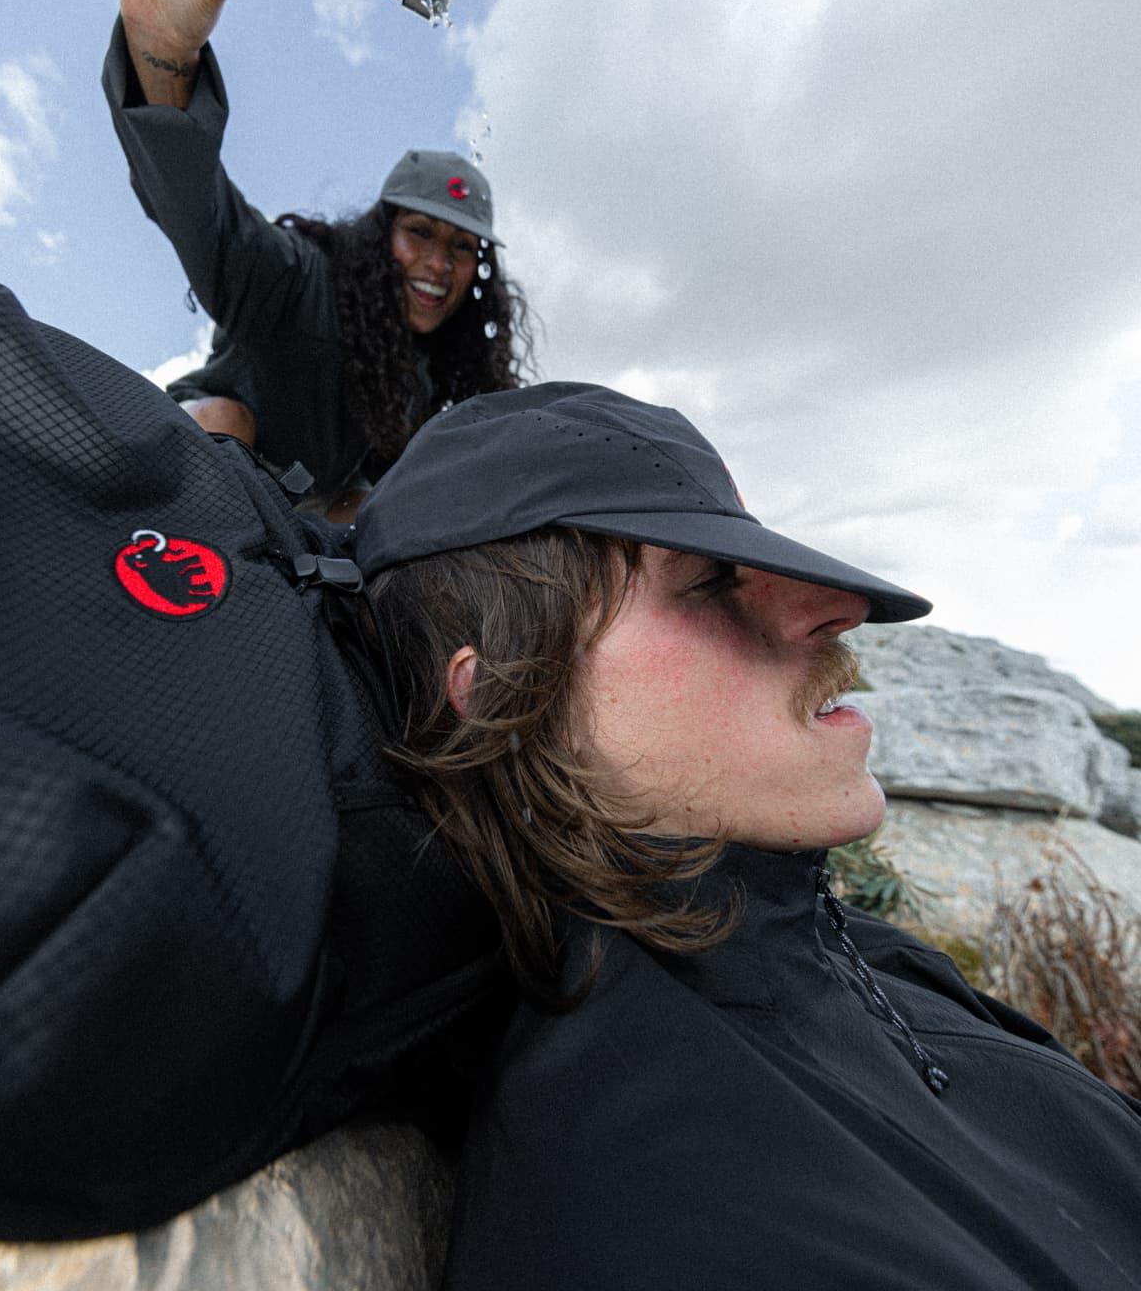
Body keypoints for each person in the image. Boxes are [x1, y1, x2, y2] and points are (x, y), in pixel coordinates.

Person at [357, 382, 1141, 1290]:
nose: (835, 609)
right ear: (500, 697)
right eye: (712, 581)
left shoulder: (829, 949)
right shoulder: (671, 1214)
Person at [102, 0, 531, 522]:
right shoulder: (299, 282)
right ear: (380, 231)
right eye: (421, 234)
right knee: (217, 426)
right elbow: (202, 216)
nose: (437, 264)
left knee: (383, 511)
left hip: (309, 558)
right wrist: (164, 48)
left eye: (460, 247)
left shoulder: (436, 378)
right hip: (192, 518)